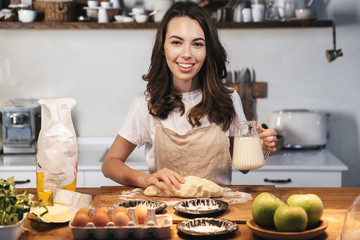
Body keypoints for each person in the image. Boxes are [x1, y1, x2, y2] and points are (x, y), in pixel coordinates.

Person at [101, 2, 277, 192]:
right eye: (177, 42)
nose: (187, 54)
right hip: (166, 216)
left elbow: (242, 167)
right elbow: (110, 164)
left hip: (218, 215)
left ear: (207, 50)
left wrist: (258, 148)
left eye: (197, 44)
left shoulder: (228, 99)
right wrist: (146, 179)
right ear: (163, 47)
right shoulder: (146, 105)